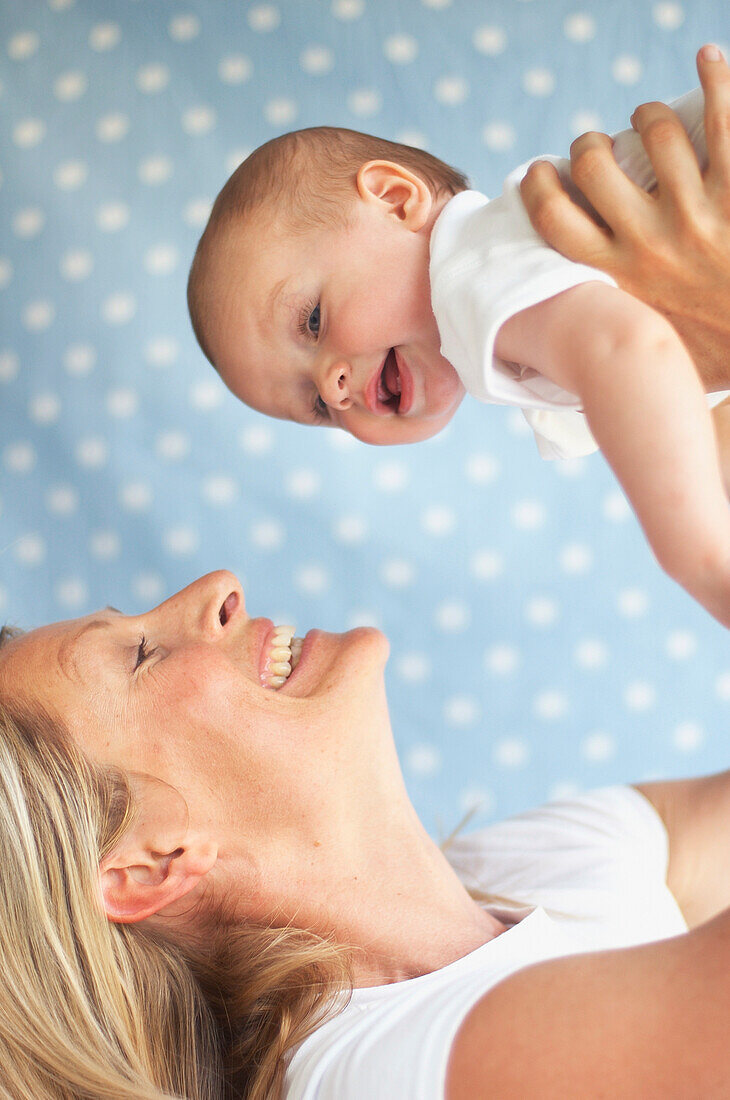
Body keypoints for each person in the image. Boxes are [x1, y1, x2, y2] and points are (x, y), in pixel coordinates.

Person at [3, 569, 730, 1099]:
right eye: (141, 655)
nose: (218, 588)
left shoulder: (525, 871)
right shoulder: (387, 1074)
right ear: (151, 864)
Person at [186, 48, 730, 632]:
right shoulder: (505, 288)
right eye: (317, 406)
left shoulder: (471, 278)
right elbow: (705, 407)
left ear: (396, 200)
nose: (332, 384)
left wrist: (701, 561)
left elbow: (631, 351)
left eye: (312, 321)